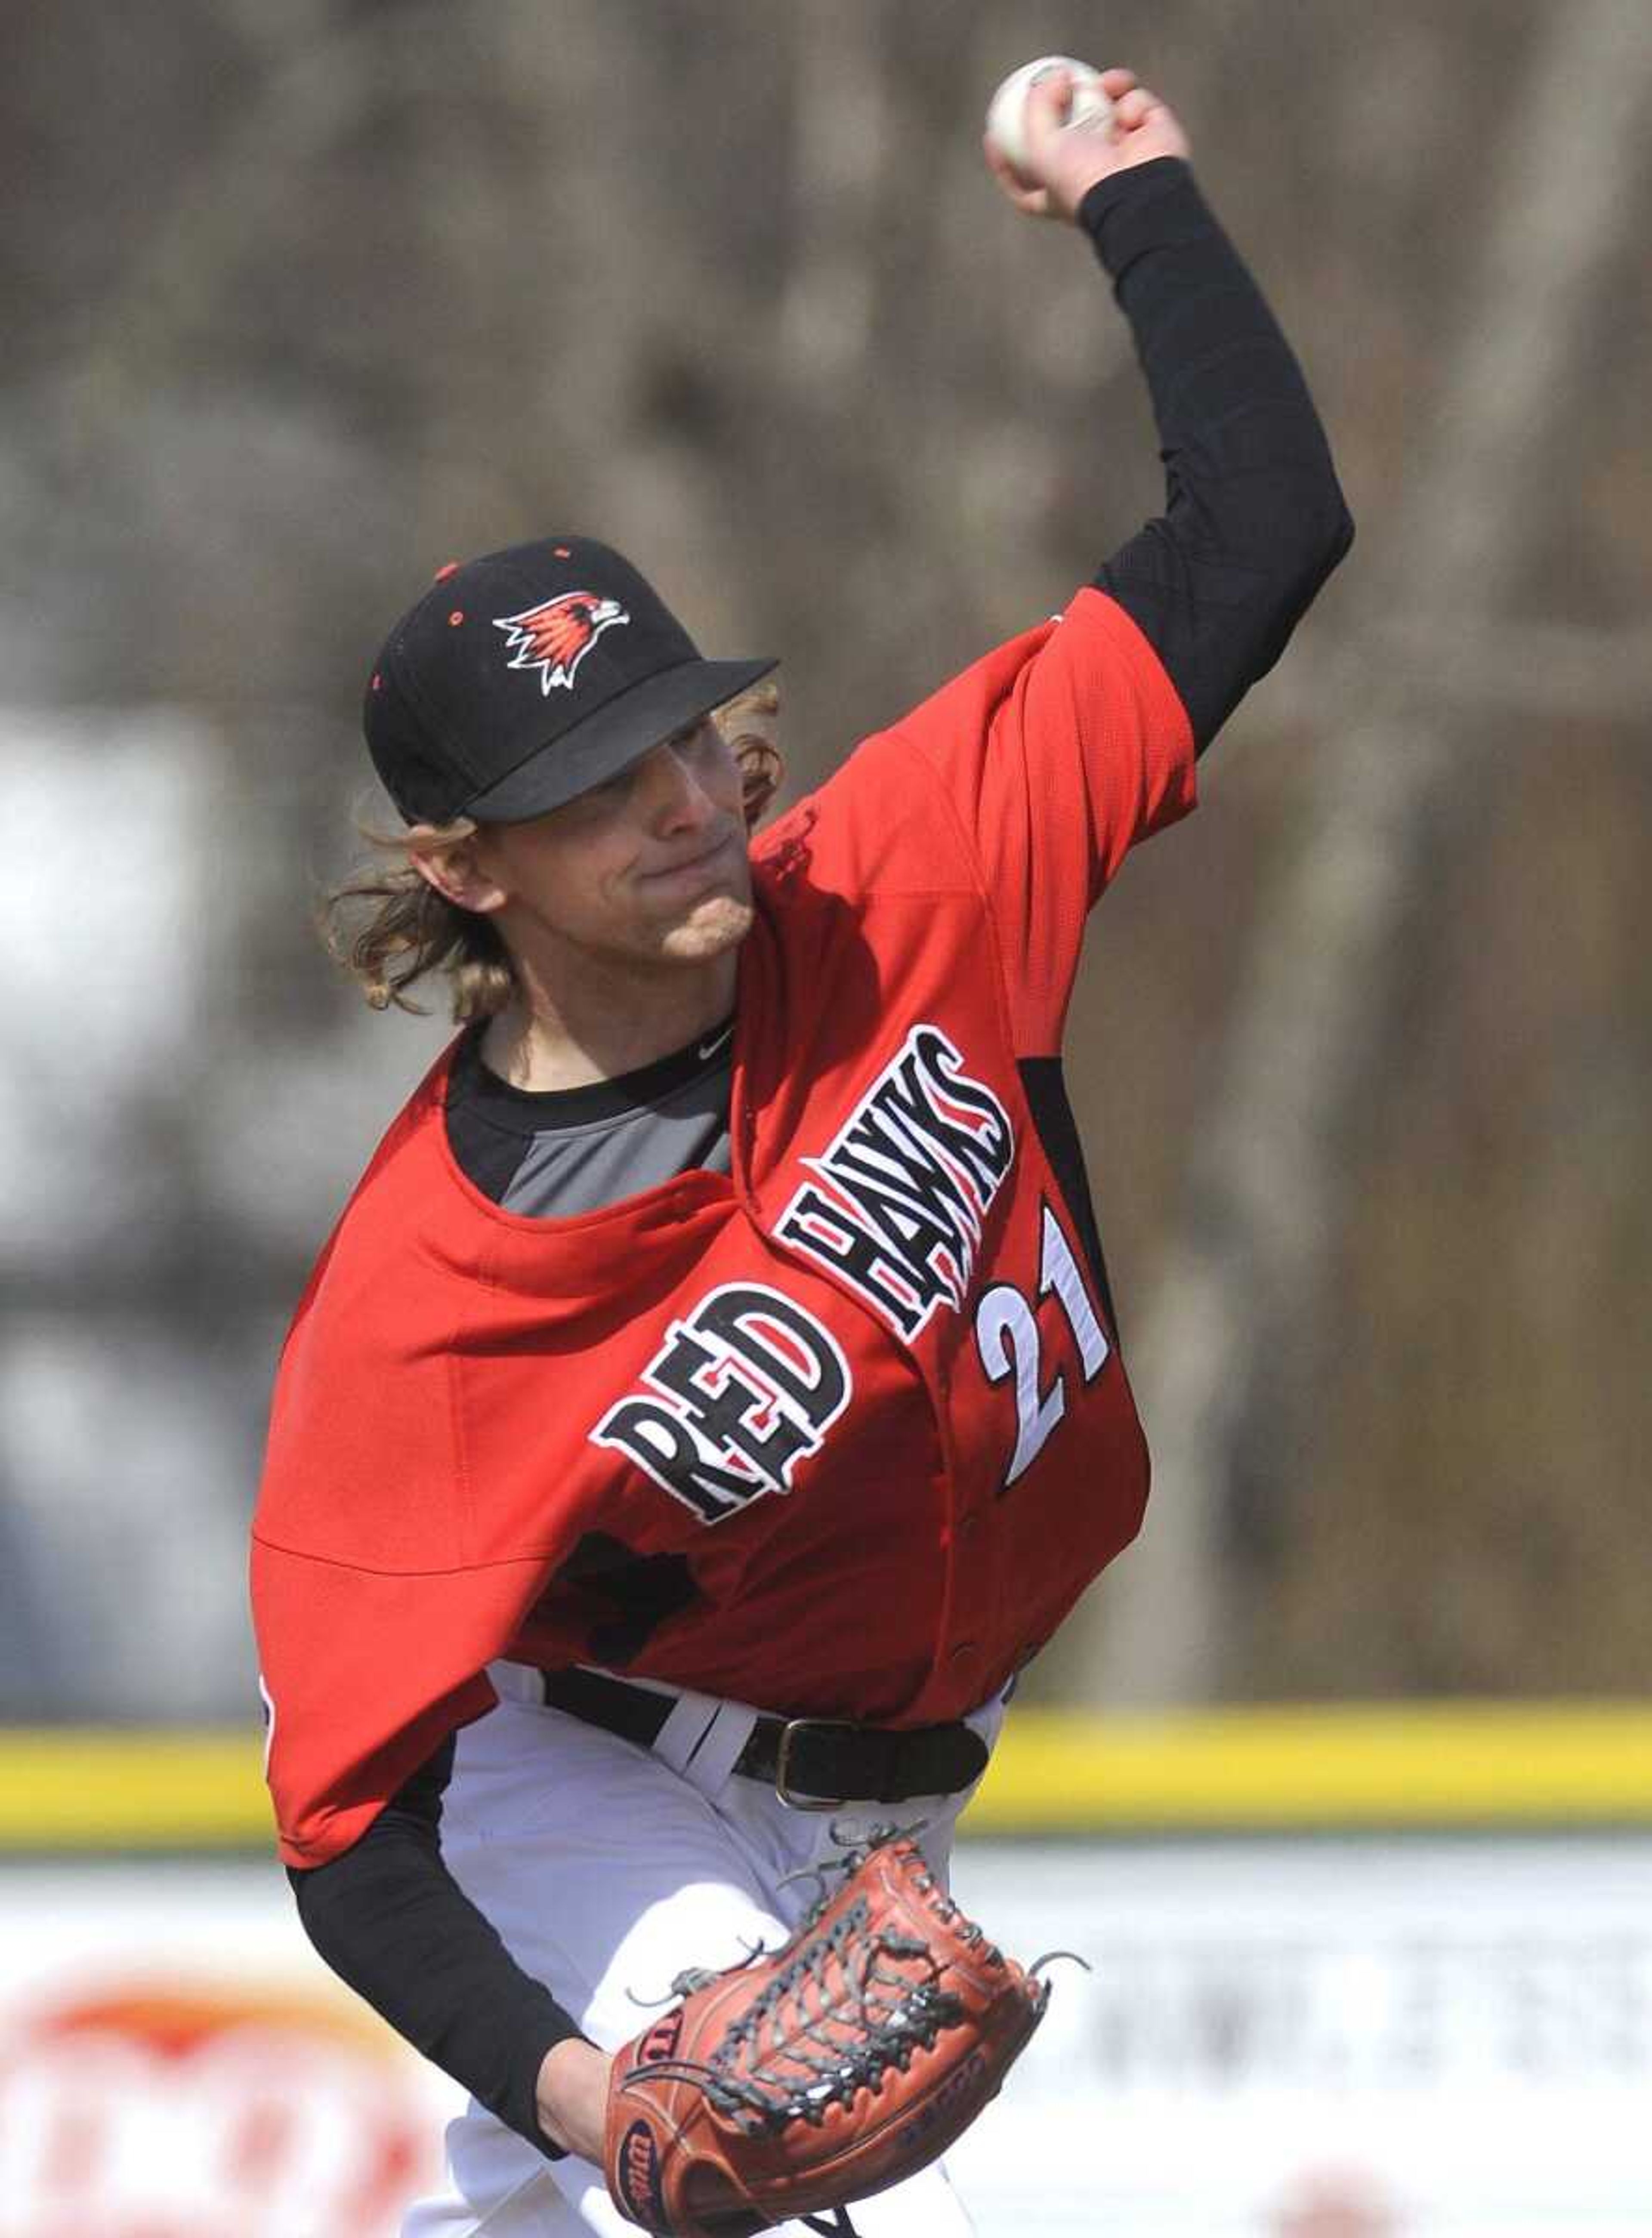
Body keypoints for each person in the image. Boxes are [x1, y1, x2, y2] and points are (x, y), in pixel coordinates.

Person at [251, 65, 1351, 2238]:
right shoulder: (427, 1301)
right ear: (468, 869)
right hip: (577, 1783)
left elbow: (1265, 523)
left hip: (895, 1802)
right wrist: (599, 2097)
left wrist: (1132, 188)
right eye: (595, 784)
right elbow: (352, 1832)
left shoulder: (919, 876)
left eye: (681, 733)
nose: (679, 800)